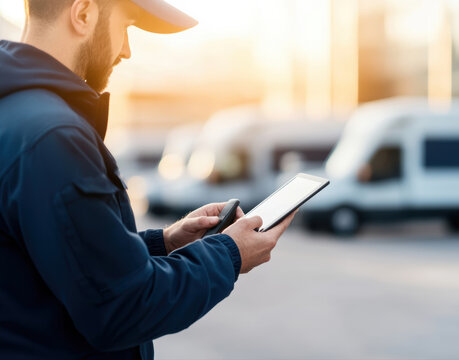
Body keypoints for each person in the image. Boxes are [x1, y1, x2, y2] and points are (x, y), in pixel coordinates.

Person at [0, 0, 296, 359]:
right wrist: (230, 253)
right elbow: (122, 307)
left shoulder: (15, 113)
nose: (126, 50)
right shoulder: (52, 135)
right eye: (125, 27)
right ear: (83, 14)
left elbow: (62, 260)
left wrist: (165, 242)